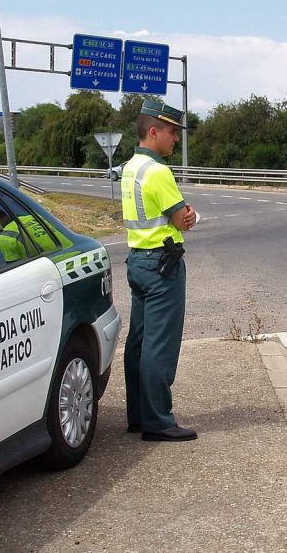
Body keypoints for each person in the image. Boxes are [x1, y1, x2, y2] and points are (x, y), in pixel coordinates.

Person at [121, 98, 198, 442]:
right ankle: (158, 421)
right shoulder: (158, 171)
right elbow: (181, 219)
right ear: (153, 132)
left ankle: (139, 415)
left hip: (138, 260)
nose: (176, 138)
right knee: (159, 346)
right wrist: (187, 217)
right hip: (162, 264)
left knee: (138, 342)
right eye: (171, 132)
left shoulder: (130, 167)